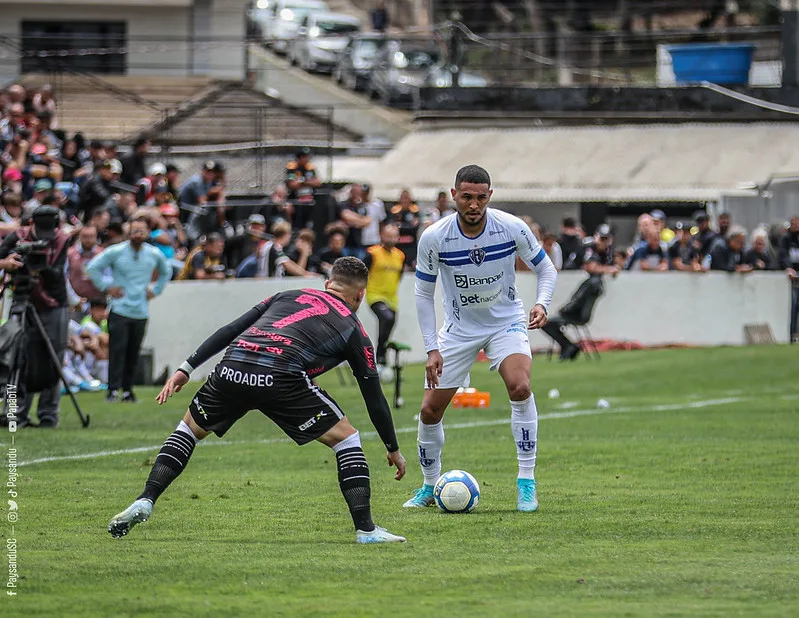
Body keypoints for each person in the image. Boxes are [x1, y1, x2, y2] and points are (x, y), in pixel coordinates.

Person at [107, 257, 408, 544]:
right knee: (347, 440)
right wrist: (392, 448)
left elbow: (231, 330)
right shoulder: (355, 329)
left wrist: (186, 368)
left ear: (328, 283)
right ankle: (366, 529)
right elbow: (374, 397)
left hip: (233, 365)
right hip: (279, 375)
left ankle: (146, 499)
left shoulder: (285, 294)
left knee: (188, 430)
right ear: (361, 294)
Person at [408, 165, 557, 512]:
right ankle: (430, 486)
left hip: (506, 322)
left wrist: (541, 303)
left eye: (480, 197)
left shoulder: (511, 227)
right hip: (458, 331)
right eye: (466, 197)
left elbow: (545, 268)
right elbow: (422, 294)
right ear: (454, 195)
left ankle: (526, 482)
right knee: (429, 411)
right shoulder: (434, 237)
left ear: (489, 196)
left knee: (519, 387)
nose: (473, 204)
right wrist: (431, 348)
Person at [0, 206, 71, 428]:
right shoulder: (17, 236)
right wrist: (7, 262)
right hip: (22, 298)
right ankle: (15, 413)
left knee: (53, 357)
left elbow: (58, 275)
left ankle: (48, 414)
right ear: (31, 223)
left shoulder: (62, 239)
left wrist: (41, 268)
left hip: (53, 302)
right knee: (17, 357)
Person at [86, 218, 172, 403]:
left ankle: (127, 391)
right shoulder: (116, 251)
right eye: (134, 231)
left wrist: (155, 290)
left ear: (148, 233)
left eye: (142, 231)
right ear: (128, 233)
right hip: (119, 309)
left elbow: (167, 270)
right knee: (117, 351)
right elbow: (93, 267)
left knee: (133, 352)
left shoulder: (153, 253)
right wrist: (107, 287)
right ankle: (112, 390)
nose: (138, 235)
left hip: (140, 311)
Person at [541, 224, 617, 361]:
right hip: (576, 314)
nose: (603, 242)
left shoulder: (592, 283)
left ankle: (569, 346)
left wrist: (564, 310)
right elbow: (590, 266)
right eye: (602, 238)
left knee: (546, 323)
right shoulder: (589, 251)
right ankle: (569, 347)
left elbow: (577, 301)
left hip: (574, 315)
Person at [363, 223, 404, 380]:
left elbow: (398, 276)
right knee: (386, 318)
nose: (391, 239)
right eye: (388, 235)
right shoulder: (373, 253)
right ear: (382, 235)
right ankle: (380, 358)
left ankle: (381, 360)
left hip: (392, 298)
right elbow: (362, 272)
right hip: (375, 295)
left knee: (388, 326)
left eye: (394, 236)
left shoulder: (400, 255)